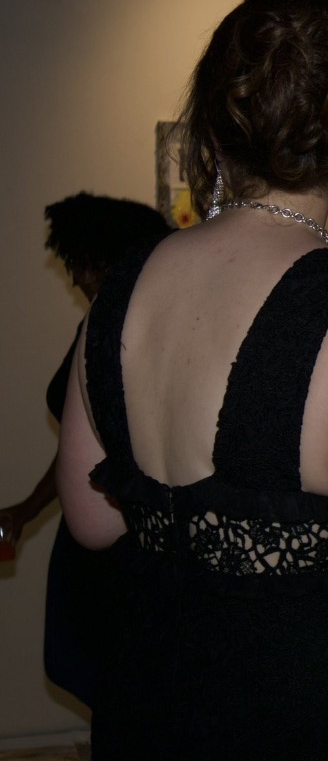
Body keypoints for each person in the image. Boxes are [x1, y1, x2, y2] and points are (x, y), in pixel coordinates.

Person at [55, 0, 328, 761]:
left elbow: (94, 519)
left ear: (214, 122)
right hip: (303, 716)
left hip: (144, 707)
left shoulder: (122, 286)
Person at [0, 193, 169, 709]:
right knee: (84, 665)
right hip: (88, 540)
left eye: (85, 263)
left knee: (114, 675)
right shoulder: (97, 326)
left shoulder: (137, 332)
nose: (75, 277)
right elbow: (81, 446)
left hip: (124, 541)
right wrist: (27, 510)